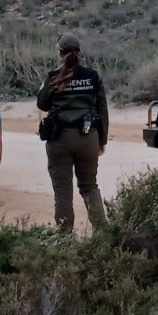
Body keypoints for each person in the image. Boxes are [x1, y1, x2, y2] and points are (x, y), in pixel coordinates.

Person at [36, 32, 108, 232]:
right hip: (88, 138)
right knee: (89, 186)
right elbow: (102, 110)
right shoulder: (92, 76)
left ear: (60, 53)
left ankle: (65, 237)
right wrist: (102, 140)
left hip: (59, 139)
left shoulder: (53, 77)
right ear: (79, 52)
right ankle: (103, 233)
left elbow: (42, 103)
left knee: (62, 191)